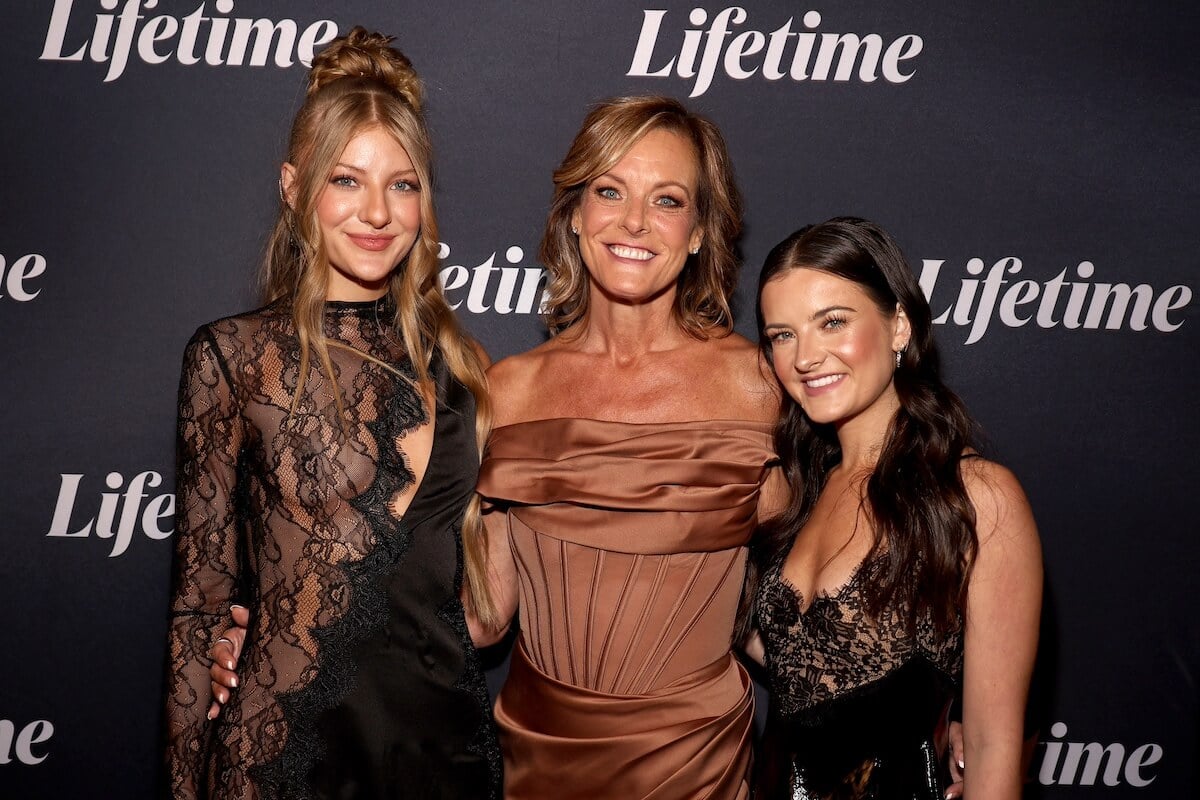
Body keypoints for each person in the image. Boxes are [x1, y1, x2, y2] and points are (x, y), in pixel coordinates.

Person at [164, 27, 501, 799]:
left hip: (442, 755)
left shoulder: (465, 369)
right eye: (346, 180)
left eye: (403, 184)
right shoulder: (233, 358)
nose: (378, 212)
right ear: (294, 187)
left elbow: (483, 603)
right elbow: (197, 612)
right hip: (286, 760)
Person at [472, 96, 782, 799]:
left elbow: (810, 587)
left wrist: (935, 708)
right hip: (539, 760)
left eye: (667, 200)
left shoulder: (760, 387)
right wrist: (302, 629)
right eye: (609, 191)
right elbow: (484, 618)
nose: (634, 222)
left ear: (701, 231)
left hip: (695, 767)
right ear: (575, 214)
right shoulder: (507, 391)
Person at [750, 217, 1041, 799]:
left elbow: (992, 750)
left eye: (832, 322)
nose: (805, 356)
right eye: (782, 335)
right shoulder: (793, 492)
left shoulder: (976, 497)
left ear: (899, 324)